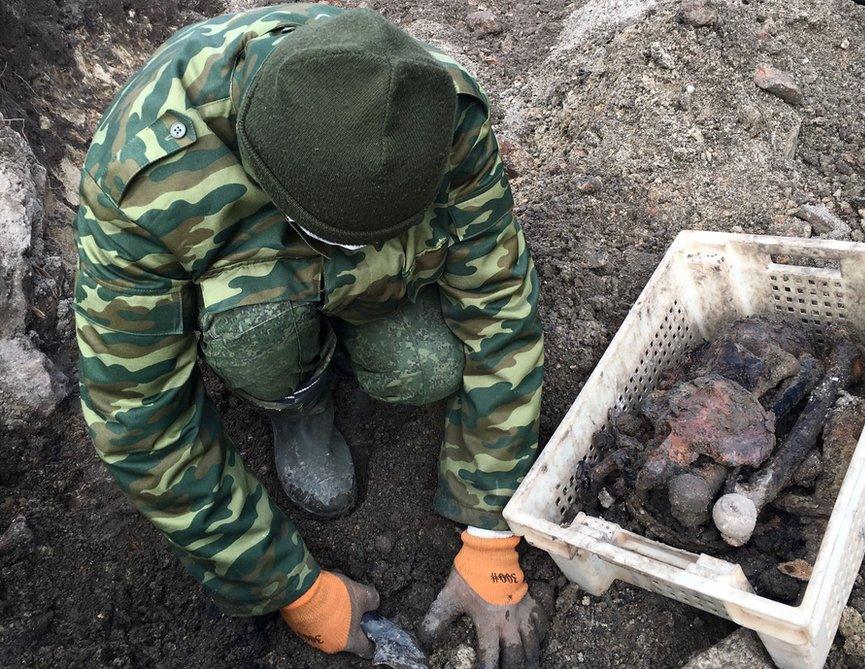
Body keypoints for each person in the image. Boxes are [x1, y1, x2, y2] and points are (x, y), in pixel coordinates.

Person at [72, 5, 545, 667]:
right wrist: (288, 586)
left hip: (376, 289)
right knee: (254, 331)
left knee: (427, 364)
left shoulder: (431, 113)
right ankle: (296, 401)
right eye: (340, 237)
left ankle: (352, 338)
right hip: (261, 303)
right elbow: (138, 421)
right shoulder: (146, 175)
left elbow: (500, 310)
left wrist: (492, 532)